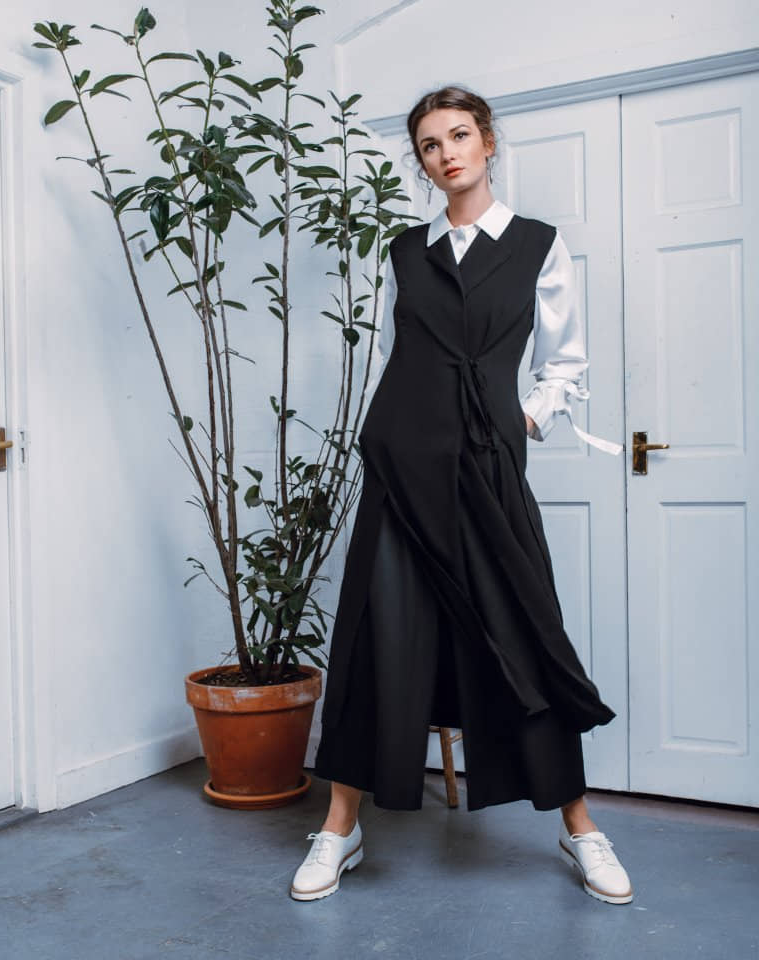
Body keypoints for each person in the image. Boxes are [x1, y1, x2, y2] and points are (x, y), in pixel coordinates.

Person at [290, 85, 631, 905]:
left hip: (486, 470)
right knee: (374, 637)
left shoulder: (538, 245)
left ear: (488, 143)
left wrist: (523, 420)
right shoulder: (405, 252)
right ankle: (341, 826)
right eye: (430, 144)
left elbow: (565, 362)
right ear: (422, 162)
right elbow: (392, 354)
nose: (447, 153)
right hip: (401, 468)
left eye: (460, 135)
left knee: (525, 637)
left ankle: (580, 826)